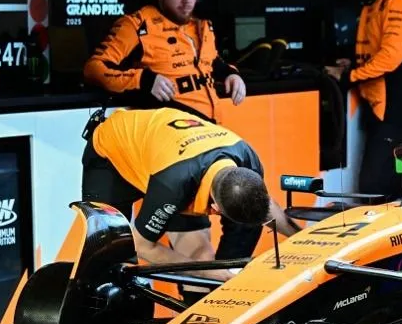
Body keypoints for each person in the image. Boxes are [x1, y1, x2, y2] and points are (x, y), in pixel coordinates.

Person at [81, 107, 299, 282]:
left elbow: (265, 207)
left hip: (169, 155)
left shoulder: (248, 159)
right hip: (112, 156)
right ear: (215, 209)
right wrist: (211, 273)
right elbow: (142, 245)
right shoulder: (173, 186)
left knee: (202, 258)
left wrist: (302, 238)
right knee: (110, 252)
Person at [83, 0, 246, 124]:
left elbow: (212, 63)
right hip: (170, 130)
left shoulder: (202, 26)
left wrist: (230, 74)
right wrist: (144, 81)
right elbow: (93, 69)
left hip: (212, 129)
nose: (187, 1)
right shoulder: (137, 25)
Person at [325, 0, 402, 200]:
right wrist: (353, 63)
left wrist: (349, 75)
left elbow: (390, 57)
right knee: (391, 180)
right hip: (380, 110)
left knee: (375, 184)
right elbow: (375, 51)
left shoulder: (396, 2)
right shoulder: (371, 5)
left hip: (396, 109)